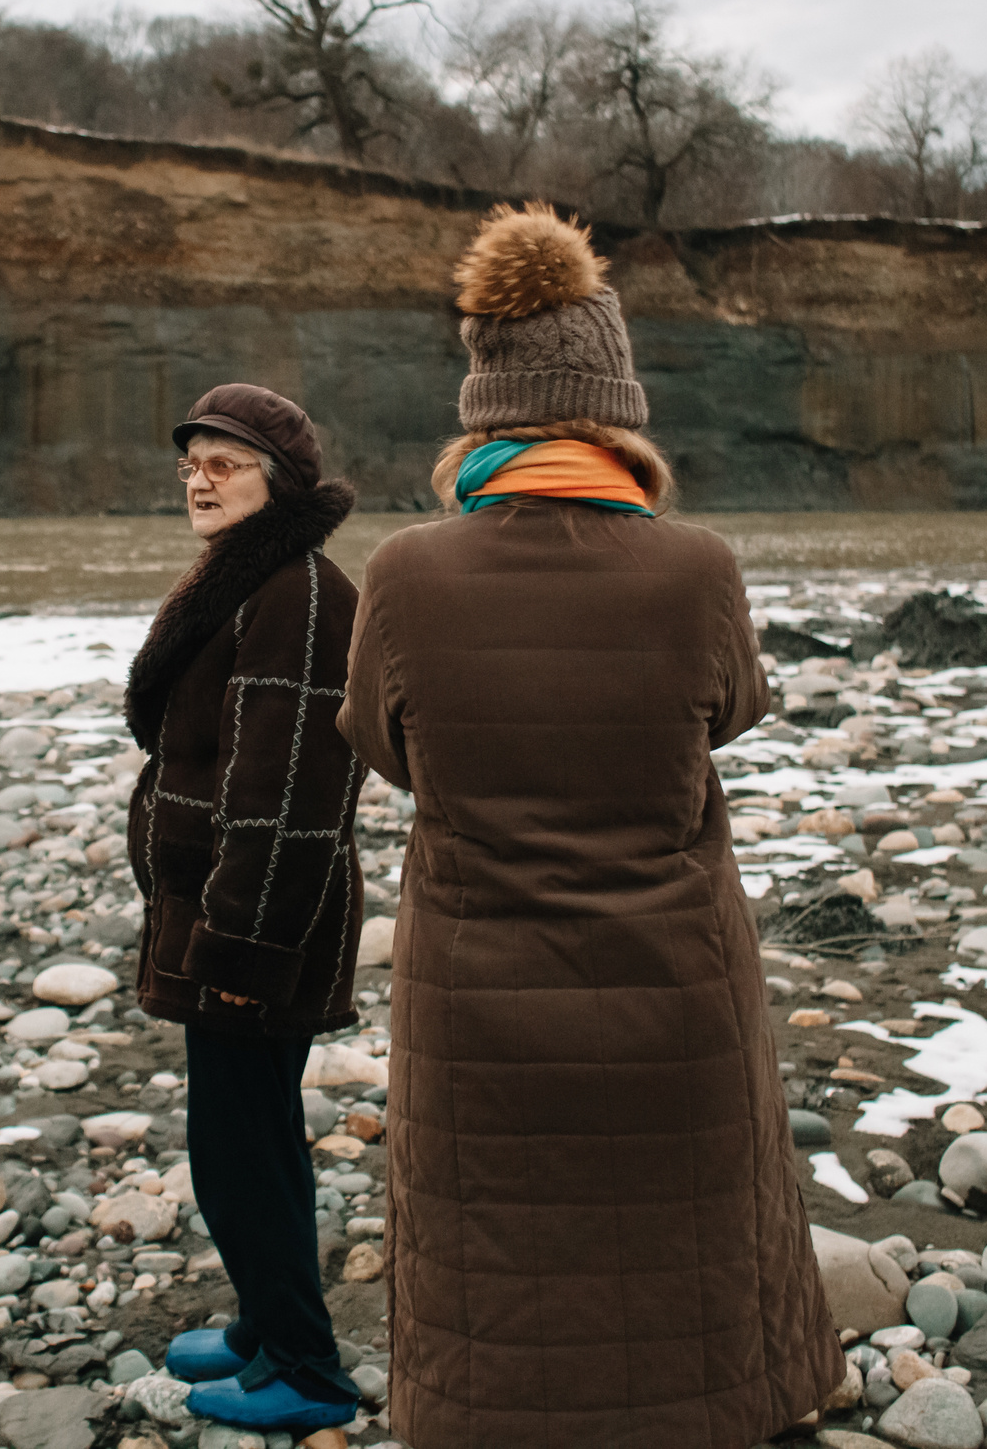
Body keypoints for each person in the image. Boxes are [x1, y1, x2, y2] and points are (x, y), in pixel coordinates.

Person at [336, 205, 844, 1447]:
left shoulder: (404, 570)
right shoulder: (696, 565)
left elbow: (379, 747)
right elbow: (730, 714)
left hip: (477, 977)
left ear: (482, 412)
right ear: (616, 416)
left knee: (486, 1237)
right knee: (694, 1224)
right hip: (674, 969)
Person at [122, 383, 369, 1435]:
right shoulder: (251, 579)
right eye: (191, 458)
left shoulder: (303, 597)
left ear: (282, 479)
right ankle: (267, 1329)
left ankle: (307, 1370)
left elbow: (288, 798)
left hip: (257, 918)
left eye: (224, 461)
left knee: (242, 1150)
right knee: (241, 1134)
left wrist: (240, 945)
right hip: (217, 904)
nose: (197, 475)